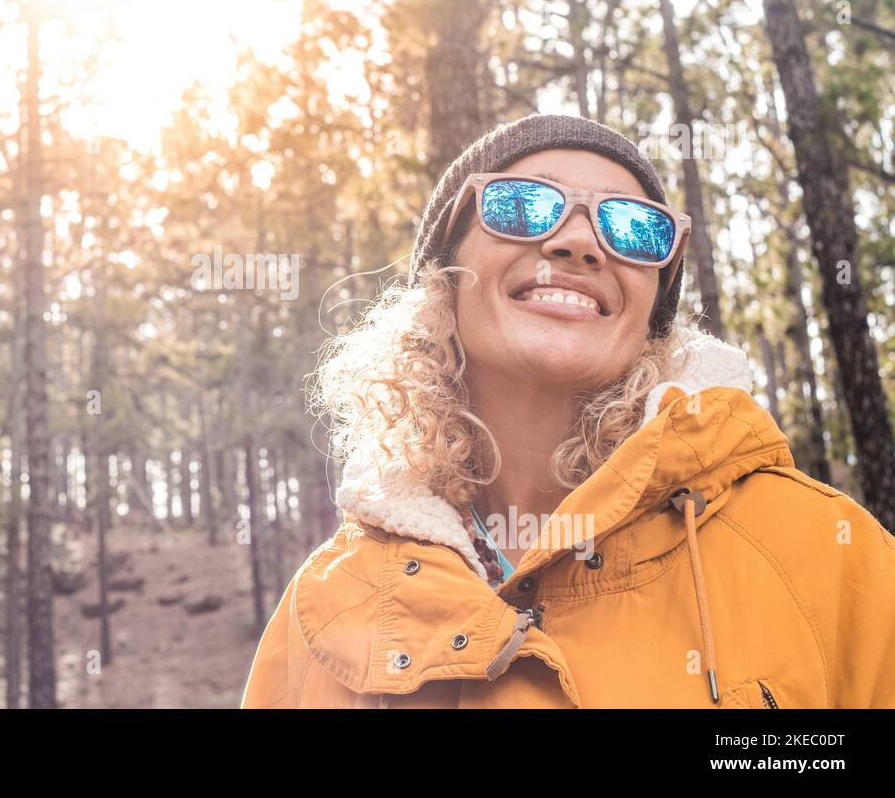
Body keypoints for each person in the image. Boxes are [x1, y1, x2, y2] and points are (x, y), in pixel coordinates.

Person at [240, 113, 895, 708]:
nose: (579, 243)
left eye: (633, 227)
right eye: (524, 207)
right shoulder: (326, 608)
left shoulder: (837, 559)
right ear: (444, 281)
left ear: (652, 318)